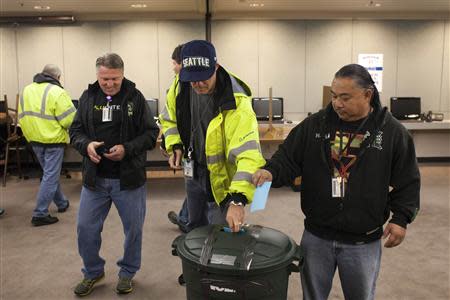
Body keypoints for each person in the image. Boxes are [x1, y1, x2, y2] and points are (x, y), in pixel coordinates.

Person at [252, 63, 421, 300]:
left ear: (368, 95)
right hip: (317, 235)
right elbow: (288, 158)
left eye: (345, 97)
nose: (337, 103)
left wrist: (401, 219)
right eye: (333, 96)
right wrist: (271, 172)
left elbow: (408, 180)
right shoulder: (315, 125)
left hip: (363, 240)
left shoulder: (392, 132)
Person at [69, 53, 159, 296]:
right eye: (104, 79)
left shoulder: (135, 98)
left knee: (133, 230)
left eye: (114, 79)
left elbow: (151, 134)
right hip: (94, 180)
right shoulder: (88, 97)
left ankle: (127, 272)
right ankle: (93, 271)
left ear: (123, 74)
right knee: (85, 228)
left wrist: (127, 149)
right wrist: (86, 146)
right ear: (97, 75)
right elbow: (75, 131)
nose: (109, 84)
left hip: (128, 180)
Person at [159, 40, 265, 233]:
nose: (198, 84)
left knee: (219, 236)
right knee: (194, 228)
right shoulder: (181, 85)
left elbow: (249, 154)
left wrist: (238, 199)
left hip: (222, 180)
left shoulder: (237, 101)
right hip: (192, 171)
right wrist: (174, 144)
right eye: (192, 78)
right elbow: (169, 117)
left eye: (203, 78)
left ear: (215, 67)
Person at [18, 64, 75, 226]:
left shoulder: (27, 90)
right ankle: (40, 213)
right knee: (50, 175)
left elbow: (22, 116)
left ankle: (62, 203)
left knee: (50, 173)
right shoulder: (57, 92)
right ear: (57, 77)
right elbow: (69, 120)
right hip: (53, 140)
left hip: (34, 139)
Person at [163, 44, 190, 233]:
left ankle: (188, 221)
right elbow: (169, 118)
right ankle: (186, 218)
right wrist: (174, 145)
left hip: (203, 151)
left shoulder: (194, 84)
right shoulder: (176, 84)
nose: (173, 67)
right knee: (193, 185)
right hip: (188, 150)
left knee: (200, 187)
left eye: (174, 63)